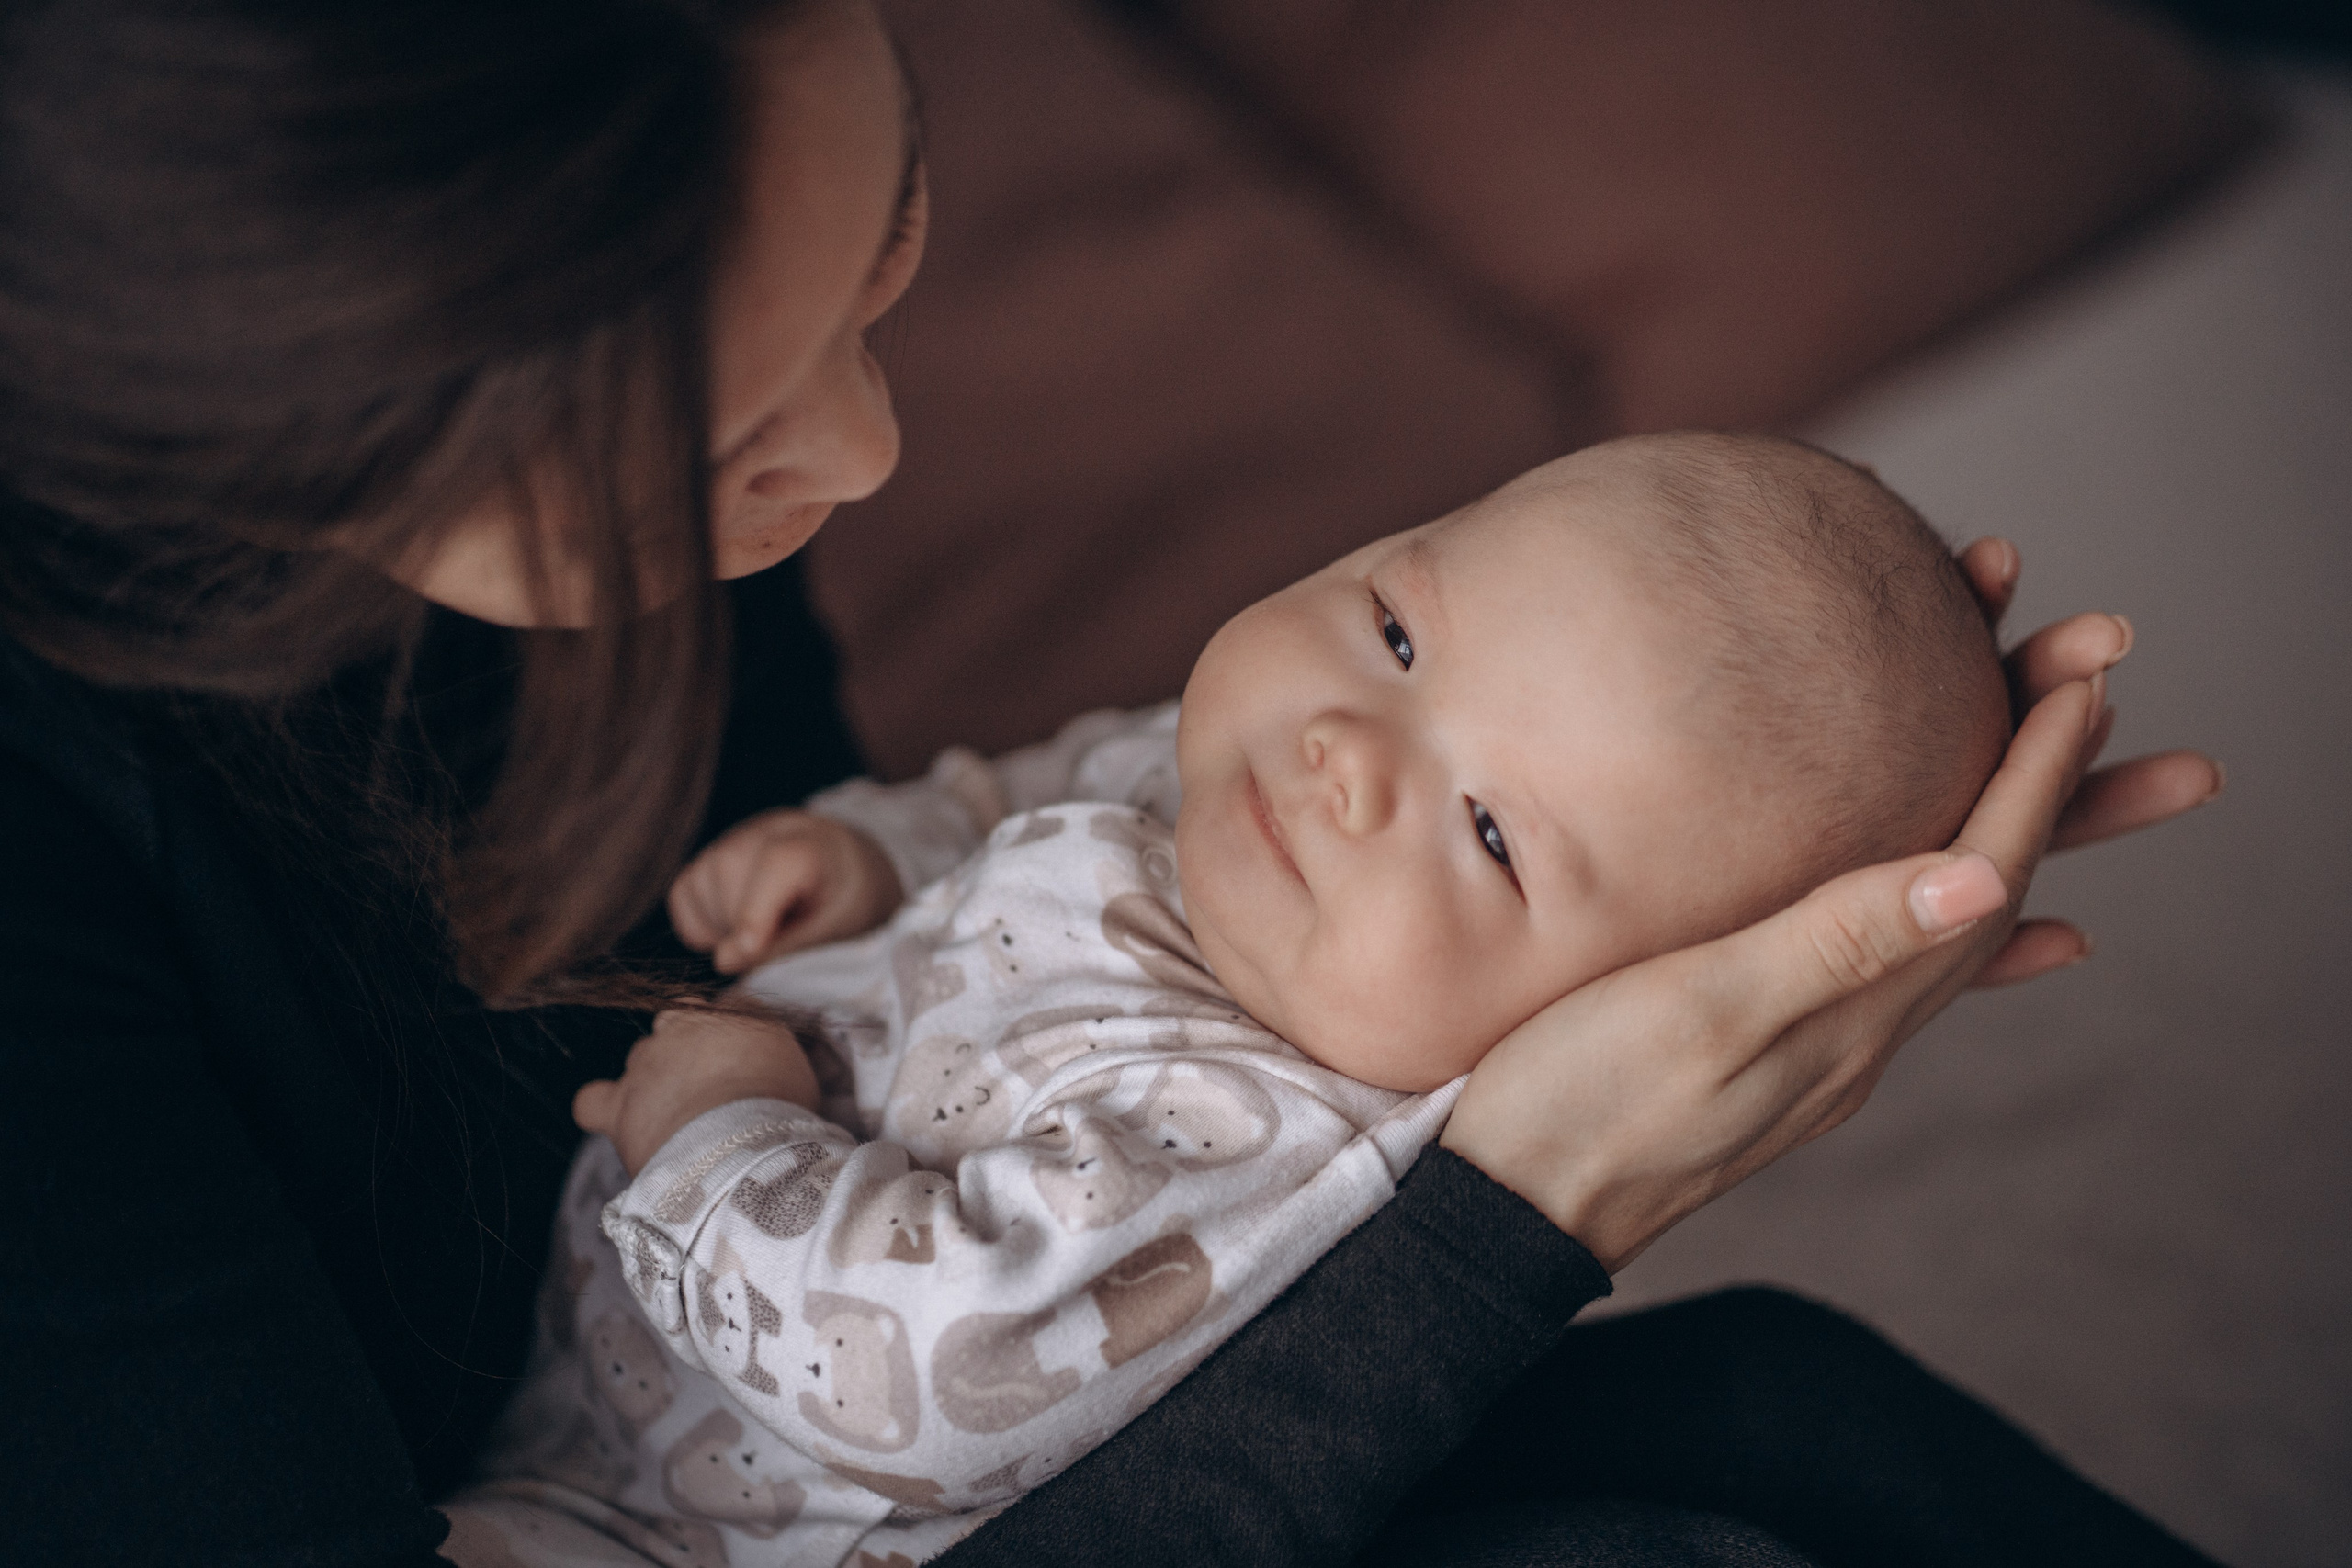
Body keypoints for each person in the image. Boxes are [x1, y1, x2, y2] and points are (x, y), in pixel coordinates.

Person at [0, 2, 2222, 1566]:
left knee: (1785, 1422)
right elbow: (1009, 845)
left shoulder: (1232, 1118)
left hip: (829, 1391)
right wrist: (1521, 1200)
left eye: (885, 264)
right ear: (272, 413)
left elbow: (934, 863)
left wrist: (833, 862)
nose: (862, 458)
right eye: (1387, 623)